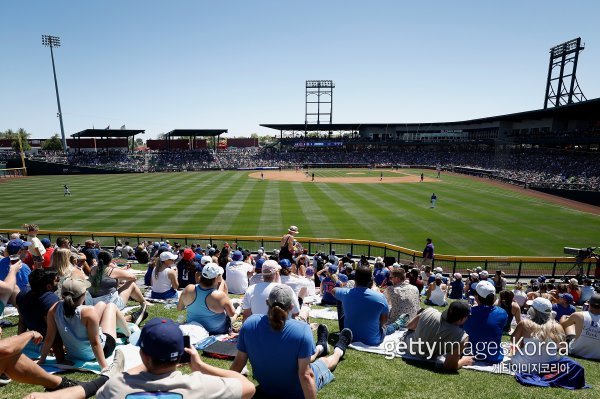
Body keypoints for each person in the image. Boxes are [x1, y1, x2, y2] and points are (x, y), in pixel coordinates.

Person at [30, 317, 256, 399]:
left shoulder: (115, 387)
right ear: (181, 355)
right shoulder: (204, 385)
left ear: (143, 355)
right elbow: (248, 387)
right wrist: (200, 365)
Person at [231, 285, 353, 399]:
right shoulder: (302, 329)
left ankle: (321, 347)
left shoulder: (249, 324)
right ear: (291, 306)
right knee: (324, 361)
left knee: (304, 356)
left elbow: (238, 363)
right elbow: (306, 375)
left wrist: (224, 389)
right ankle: (339, 350)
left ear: (267, 302)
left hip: (267, 387)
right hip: (296, 392)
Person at [39, 278, 130, 371]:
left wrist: (41, 360)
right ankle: (129, 334)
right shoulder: (88, 312)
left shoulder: (53, 309)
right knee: (111, 306)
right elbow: (95, 343)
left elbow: (49, 338)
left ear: (62, 295)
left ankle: (126, 332)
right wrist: (104, 367)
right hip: (100, 350)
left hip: (74, 354)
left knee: (102, 304)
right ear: (84, 295)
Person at [403, 301, 474, 370]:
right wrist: (464, 361)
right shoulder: (462, 337)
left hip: (408, 346)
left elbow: (410, 326)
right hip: (428, 355)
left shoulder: (429, 311)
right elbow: (449, 366)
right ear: (462, 319)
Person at [333, 265, 389, 345]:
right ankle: (396, 325)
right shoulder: (380, 297)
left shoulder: (346, 293)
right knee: (386, 328)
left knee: (340, 300)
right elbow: (384, 321)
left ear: (355, 279)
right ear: (371, 280)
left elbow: (334, 290)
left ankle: (396, 325)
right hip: (372, 340)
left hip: (349, 336)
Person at [87, 251, 148, 323]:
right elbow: (133, 277)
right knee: (131, 284)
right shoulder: (112, 271)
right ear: (110, 261)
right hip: (109, 306)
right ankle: (143, 302)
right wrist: (118, 279)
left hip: (91, 303)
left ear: (98, 259)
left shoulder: (92, 269)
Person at [16, 269, 62, 360]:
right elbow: (53, 330)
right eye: (56, 280)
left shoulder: (22, 294)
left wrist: (19, 342)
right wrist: (61, 359)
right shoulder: (50, 299)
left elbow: (22, 320)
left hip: (36, 339)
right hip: (46, 339)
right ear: (49, 286)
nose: (58, 281)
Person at [178, 263, 234, 335]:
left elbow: (179, 308)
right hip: (216, 330)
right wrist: (222, 282)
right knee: (236, 311)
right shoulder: (220, 296)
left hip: (194, 327)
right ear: (217, 277)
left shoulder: (188, 288)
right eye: (221, 275)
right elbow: (231, 314)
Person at [510, 297, 566, 367]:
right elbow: (563, 349)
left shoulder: (525, 324)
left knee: (514, 352)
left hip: (526, 365)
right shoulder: (558, 327)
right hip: (550, 366)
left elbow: (513, 340)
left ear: (534, 310)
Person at [463, 281, 508, 363]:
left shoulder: (467, 312)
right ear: (494, 297)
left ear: (476, 296)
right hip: (493, 356)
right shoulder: (502, 313)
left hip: (471, 352)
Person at [560, 293, 600, 360]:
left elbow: (562, 325)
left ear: (588, 303)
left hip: (575, 351)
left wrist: (563, 317)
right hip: (597, 355)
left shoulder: (578, 315)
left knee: (570, 323)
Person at [384, 268, 420, 334]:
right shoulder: (415, 288)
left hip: (396, 323)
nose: (390, 279)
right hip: (412, 323)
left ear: (397, 278)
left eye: (391, 277)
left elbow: (384, 305)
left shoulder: (391, 289)